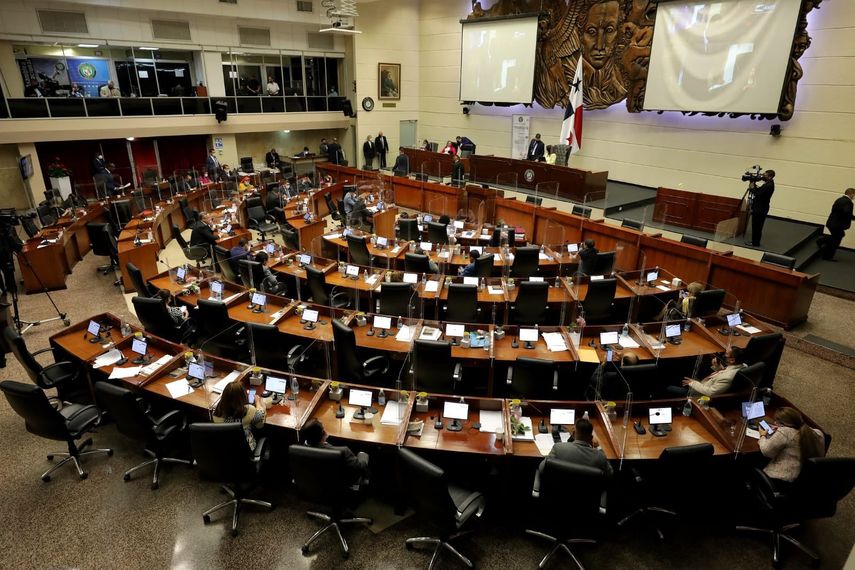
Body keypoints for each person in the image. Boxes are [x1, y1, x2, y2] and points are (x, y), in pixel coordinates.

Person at [533, 417, 612, 493]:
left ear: (574, 434)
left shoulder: (558, 448)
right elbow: (609, 476)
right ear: (591, 438)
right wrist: (598, 447)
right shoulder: (600, 456)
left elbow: (542, 469)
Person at [759, 407, 825, 486]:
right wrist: (781, 429)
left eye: (777, 422)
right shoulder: (818, 433)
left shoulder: (786, 432)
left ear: (785, 424)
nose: (775, 423)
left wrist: (762, 436)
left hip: (782, 481)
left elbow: (766, 451)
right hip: (806, 481)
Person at [301, 419, 369, 484]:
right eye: (323, 429)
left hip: (316, 481)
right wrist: (362, 456)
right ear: (323, 434)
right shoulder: (343, 451)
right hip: (342, 483)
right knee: (363, 455)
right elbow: (359, 467)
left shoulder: (301, 451)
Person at [213, 381, 267, 451]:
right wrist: (258, 403)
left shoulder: (216, 414)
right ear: (243, 396)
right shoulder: (249, 410)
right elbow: (260, 424)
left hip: (225, 450)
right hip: (246, 452)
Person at [679, 347, 747, 397]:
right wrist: (718, 368)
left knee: (669, 388)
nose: (723, 355)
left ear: (732, 360)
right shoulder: (743, 366)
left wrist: (692, 383)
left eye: (726, 354)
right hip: (704, 382)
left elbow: (710, 392)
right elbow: (726, 372)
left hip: (698, 393)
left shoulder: (727, 378)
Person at [817, 188, 854, 260]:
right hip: (837, 225)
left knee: (838, 236)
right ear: (851, 194)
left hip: (831, 222)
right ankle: (827, 256)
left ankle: (822, 240)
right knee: (836, 240)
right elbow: (847, 213)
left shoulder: (839, 199)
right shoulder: (849, 202)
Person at [748, 169, 775, 247]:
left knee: (757, 226)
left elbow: (757, 194)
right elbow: (760, 190)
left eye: (765, 175)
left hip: (760, 209)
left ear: (770, 176)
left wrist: (752, 187)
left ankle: (755, 243)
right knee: (757, 226)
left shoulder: (769, 185)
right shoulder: (768, 183)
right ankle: (754, 242)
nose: (763, 176)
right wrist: (754, 185)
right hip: (761, 207)